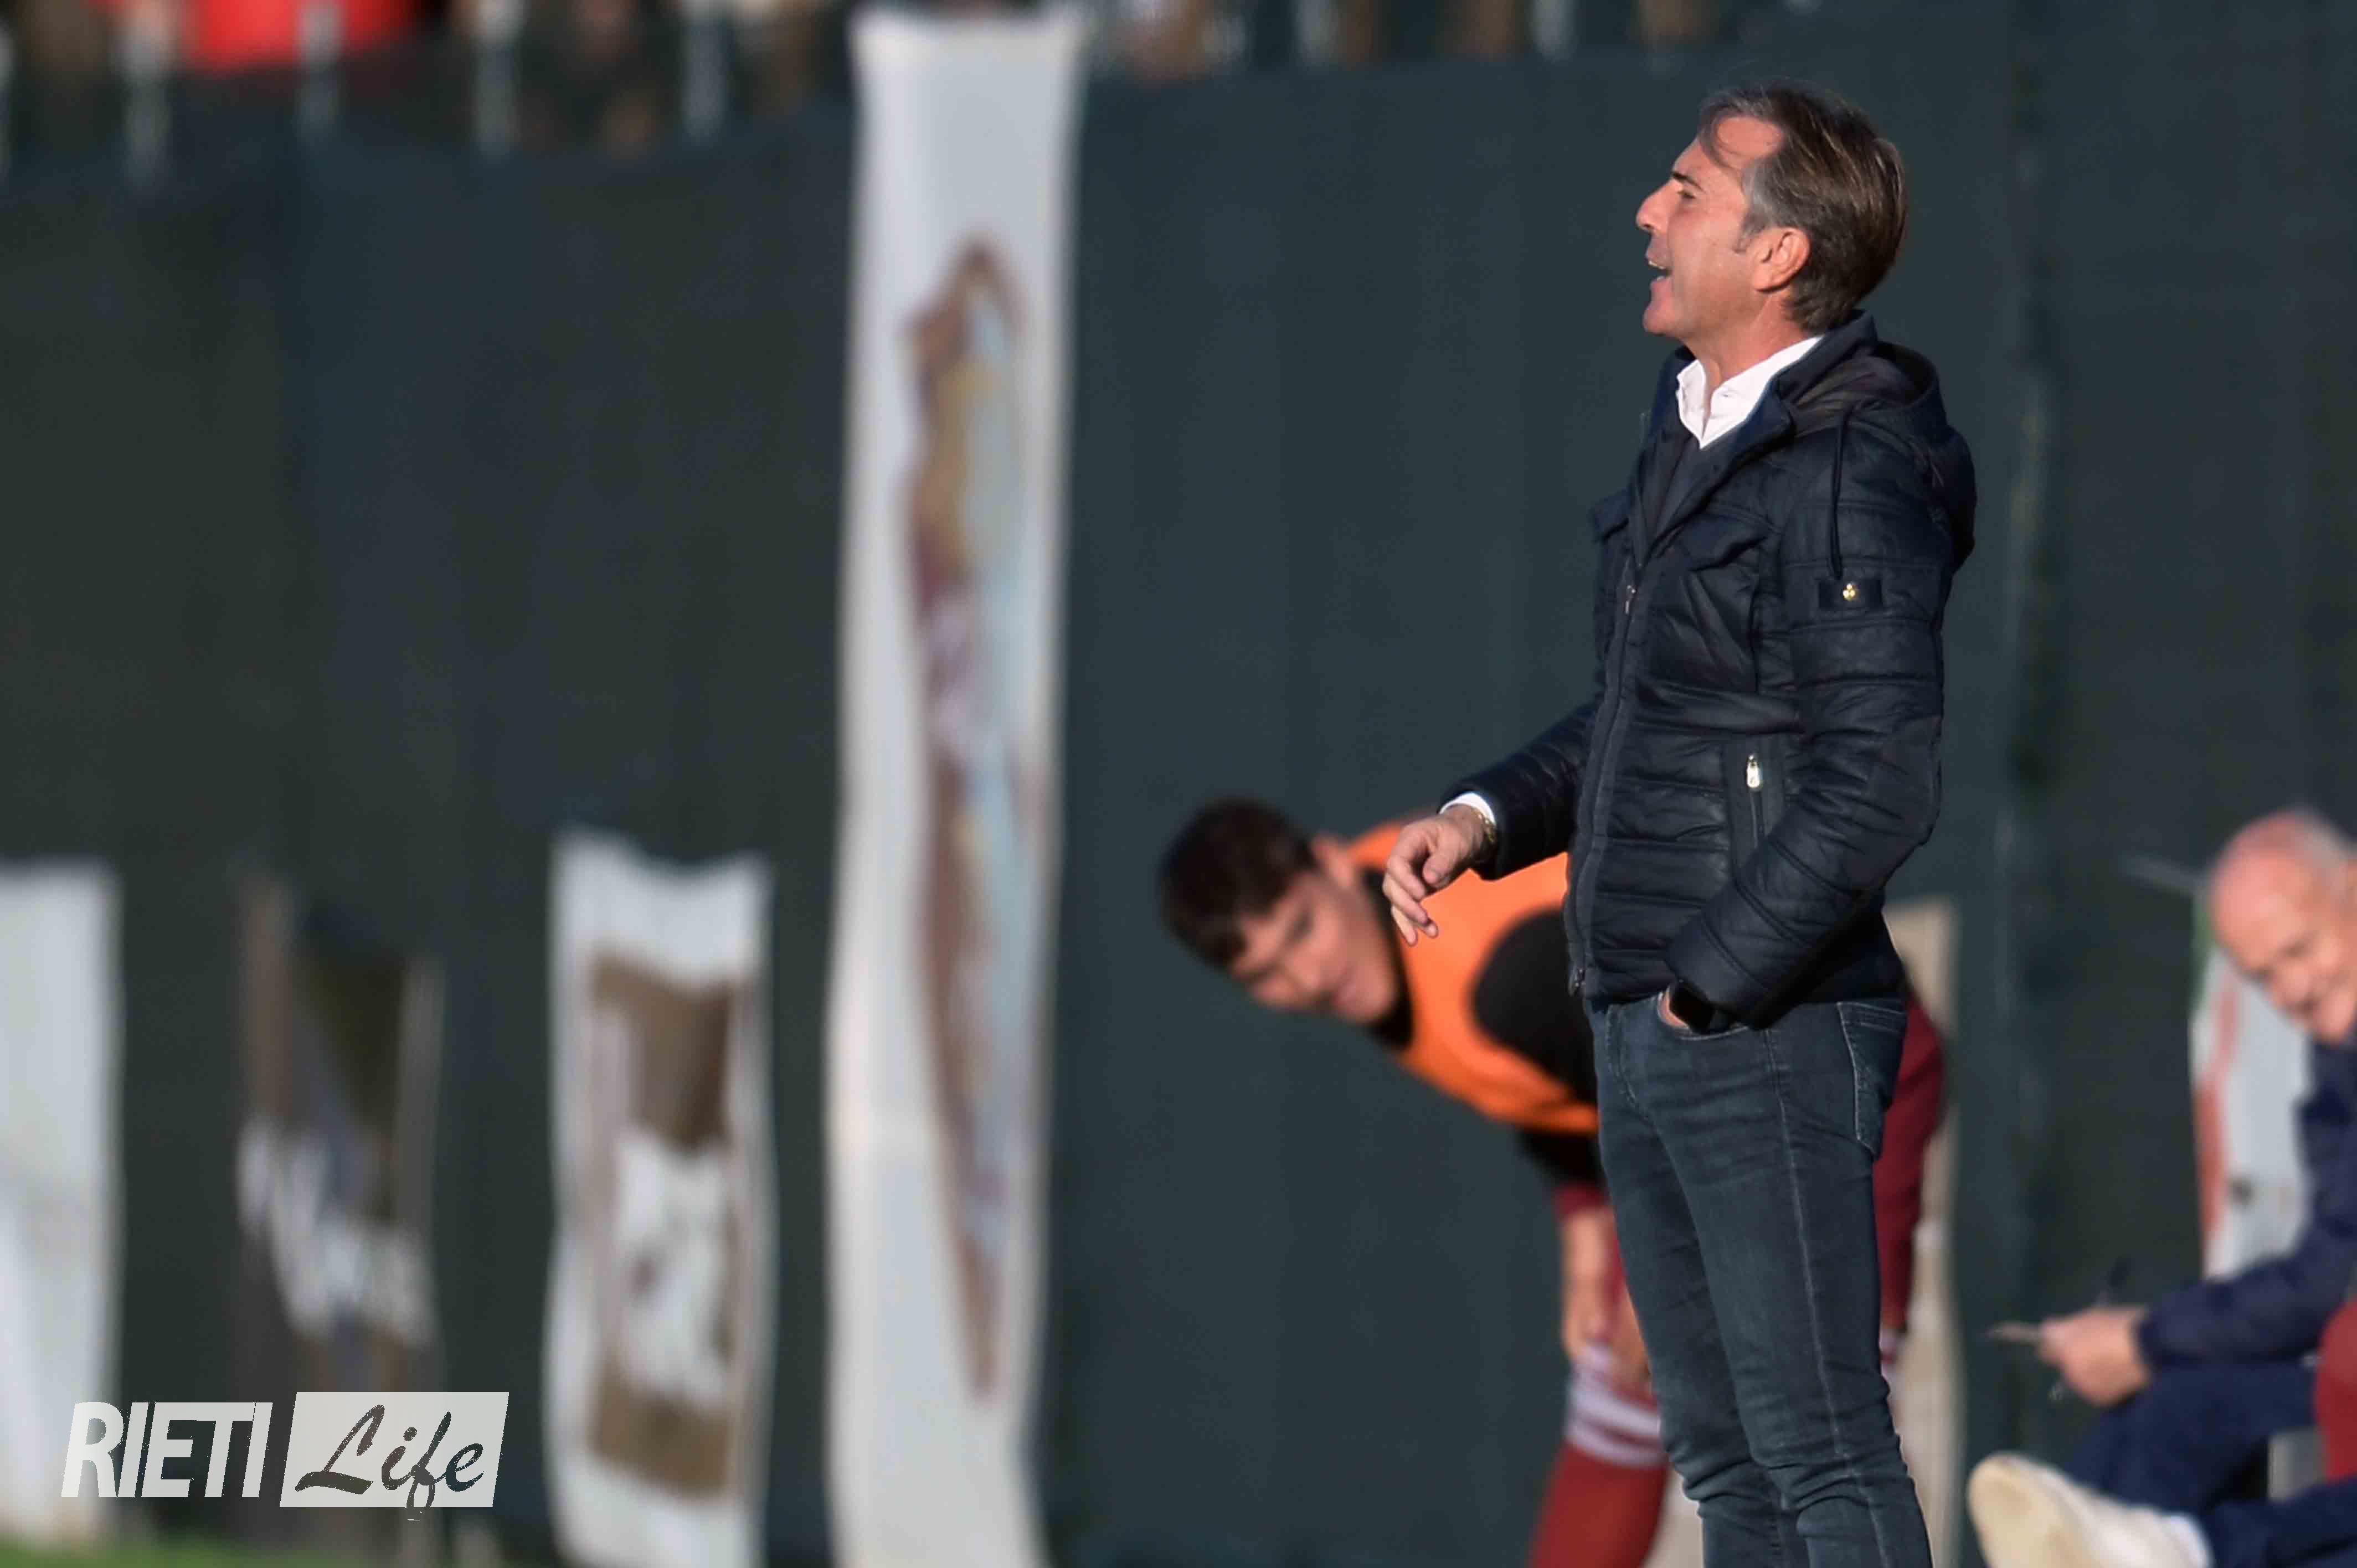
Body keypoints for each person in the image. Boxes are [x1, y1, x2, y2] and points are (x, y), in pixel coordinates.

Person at [1379, 80, 1974, 1568]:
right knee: (1725, 1466)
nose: (1649, 212)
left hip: (1760, 1025)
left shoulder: (1849, 468)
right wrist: (1482, 816)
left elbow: (1880, 776)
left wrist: (1713, 986)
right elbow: (1651, 717)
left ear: (1777, 255)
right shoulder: (1692, 420)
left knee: (1820, 1452)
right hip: (1648, 1012)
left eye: (1689, 190)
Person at [1158, 797, 1949, 1568]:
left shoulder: (1494, 969)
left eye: (1302, 928)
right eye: (1267, 974)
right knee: (1625, 1391)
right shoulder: (1385, 911)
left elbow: (1680, 1043)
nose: (1308, 974)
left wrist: (1654, 1261)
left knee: (1824, 1409)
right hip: (1729, 1097)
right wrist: (1581, 1211)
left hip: (1837, 1061)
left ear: (1332, 862)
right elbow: (1562, 1064)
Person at [1969, 811, 2357, 1568]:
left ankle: (2181, 1548)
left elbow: (2327, 1281)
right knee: (2171, 1406)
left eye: (2299, 950)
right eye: (2265, 977)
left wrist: (2147, 1338)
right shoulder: (2338, 1057)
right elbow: (2332, 1264)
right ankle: (2124, 1537)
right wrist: (2157, 1344)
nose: (2292, 990)